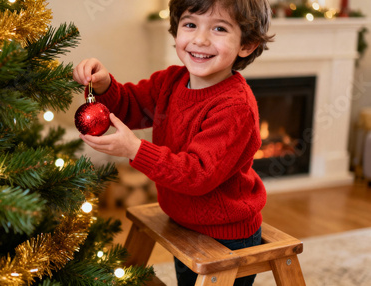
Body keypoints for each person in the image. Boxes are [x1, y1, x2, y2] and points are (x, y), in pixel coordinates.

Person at [73, 0, 274, 285]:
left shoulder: (235, 107)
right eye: (190, 25)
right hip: (183, 219)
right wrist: (105, 85)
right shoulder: (171, 81)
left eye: (219, 28)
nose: (200, 39)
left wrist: (135, 149)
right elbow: (131, 106)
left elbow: (197, 174)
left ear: (247, 45)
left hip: (227, 234)